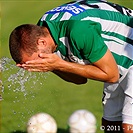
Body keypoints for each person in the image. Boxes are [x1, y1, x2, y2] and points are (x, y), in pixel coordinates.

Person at [9, 0, 133, 132]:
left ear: (41, 42)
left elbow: (111, 75)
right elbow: (80, 79)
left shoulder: (77, 30)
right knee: (110, 125)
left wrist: (58, 64)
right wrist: (53, 66)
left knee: (128, 128)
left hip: (125, 56)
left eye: (36, 60)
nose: (37, 64)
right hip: (117, 61)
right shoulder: (46, 31)